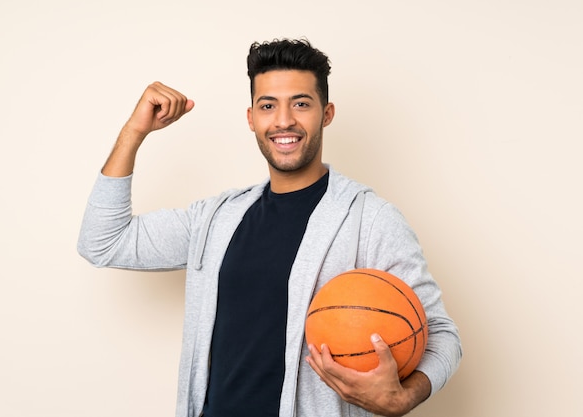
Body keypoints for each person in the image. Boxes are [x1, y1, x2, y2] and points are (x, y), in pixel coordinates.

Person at [78, 38, 462, 417]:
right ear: (251, 118)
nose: (283, 121)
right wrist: (134, 132)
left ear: (326, 114)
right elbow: (102, 241)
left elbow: (441, 335)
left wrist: (404, 398)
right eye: (268, 106)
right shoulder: (216, 219)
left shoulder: (370, 219)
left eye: (301, 103)